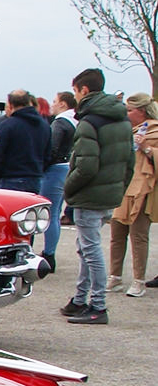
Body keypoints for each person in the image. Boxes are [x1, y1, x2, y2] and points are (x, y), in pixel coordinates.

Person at [60, 68, 134, 325]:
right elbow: (129, 161)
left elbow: (86, 166)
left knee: (90, 250)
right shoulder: (123, 120)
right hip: (110, 192)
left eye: (76, 91)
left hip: (89, 194)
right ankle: (80, 299)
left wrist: (68, 189)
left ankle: (97, 305)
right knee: (86, 248)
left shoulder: (90, 122)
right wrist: (119, 189)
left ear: (84, 90)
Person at [106, 92, 158, 297]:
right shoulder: (125, 130)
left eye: (130, 110)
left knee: (139, 236)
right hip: (123, 186)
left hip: (144, 189)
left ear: (142, 111)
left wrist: (146, 148)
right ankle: (115, 277)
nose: (126, 114)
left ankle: (139, 280)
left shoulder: (155, 130)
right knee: (116, 235)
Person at [39, 90, 78, 270]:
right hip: (67, 167)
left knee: (50, 212)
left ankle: (48, 254)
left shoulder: (61, 123)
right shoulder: (76, 121)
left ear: (63, 104)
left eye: (55, 101)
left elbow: (52, 149)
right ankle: (50, 251)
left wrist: (43, 166)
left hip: (55, 169)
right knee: (55, 213)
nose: (52, 105)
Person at [0, 89, 49, 193]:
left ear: (11, 105)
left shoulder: (7, 125)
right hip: (34, 179)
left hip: (10, 179)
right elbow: (47, 155)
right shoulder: (44, 126)